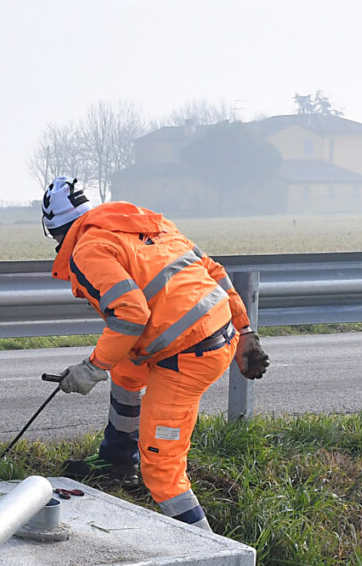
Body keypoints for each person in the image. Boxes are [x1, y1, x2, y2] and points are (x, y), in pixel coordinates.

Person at [41, 177, 268, 532]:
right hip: (212, 334)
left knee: (162, 470)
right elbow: (214, 273)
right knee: (128, 369)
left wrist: (91, 368)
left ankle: (208, 556)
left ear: (56, 232)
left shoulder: (87, 249)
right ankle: (118, 459)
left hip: (187, 357)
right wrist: (244, 331)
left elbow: (130, 314)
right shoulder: (146, 224)